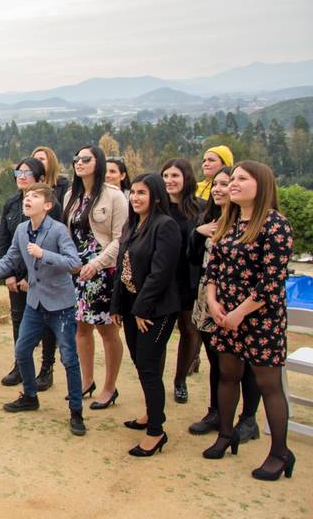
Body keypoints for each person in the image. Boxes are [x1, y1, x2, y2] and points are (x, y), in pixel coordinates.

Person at [202, 161, 296, 481]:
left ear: (262, 184)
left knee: (268, 385)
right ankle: (226, 435)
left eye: (242, 179)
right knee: (227, 376)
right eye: (233, 179)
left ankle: (280, 452)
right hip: (225, 315)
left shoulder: (275, 225)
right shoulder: (227, 221)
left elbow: (271, 281)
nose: (233, 184)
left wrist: (239, 313)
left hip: (260, 318)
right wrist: (214, 304)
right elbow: (212, 271)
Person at [0, 183, 86, 436]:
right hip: (35, 303)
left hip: (61, 306)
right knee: (22, 350)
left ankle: (76, 412)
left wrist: (43, 254)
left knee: (69, 358)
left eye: (34, 196)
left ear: (47, 205)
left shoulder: (59, 230)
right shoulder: (20, 229)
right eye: (27, 196)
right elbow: (11, 258)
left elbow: (75, 264)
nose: (27, 200)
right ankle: (30, 396)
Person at [111, 174, 182, 457]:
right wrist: (117, 306)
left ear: (155, 196)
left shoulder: (165, 226)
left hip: (156, 310)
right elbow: (122, 266)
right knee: (141, 365)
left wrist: (142, 309)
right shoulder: (132, 225)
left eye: (142, 193)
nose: (136, 198)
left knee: (149, 367)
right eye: (134, 193)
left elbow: (160, 273)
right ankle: (151, 415)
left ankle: (156, 431)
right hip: (130, 307)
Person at [188, 167, 261, 440]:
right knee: (216, 361)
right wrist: (198, 232)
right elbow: (193, 259)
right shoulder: (208, 218)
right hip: (209, 300)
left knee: (247, 365)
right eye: (215, 184)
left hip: (243, 304)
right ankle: (217, 411)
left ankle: (248, 419)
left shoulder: (250, 223)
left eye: (225, 182)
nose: (219, 188)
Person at [62, 145, 128, 409]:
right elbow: (67, 234)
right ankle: (86, 380)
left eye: (85, 159)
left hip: (104, 272)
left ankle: (110, 387)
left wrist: (97, 264)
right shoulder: (71, 195)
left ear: (97, 163)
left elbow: (121, 238)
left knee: (107, 330)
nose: (79, 163)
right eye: (76, 158)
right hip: (77, 272)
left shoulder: (114, 196)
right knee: (81, 327)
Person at [0, 158, 59, 390]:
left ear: (41, 179)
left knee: (46, 322)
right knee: (18, 319)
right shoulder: (12, 204)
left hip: (41, 277)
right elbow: (4, 242)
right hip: (16, 277)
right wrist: (10, 275)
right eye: (18, 172)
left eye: (27, 172)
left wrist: (29, 277)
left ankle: (46, 369)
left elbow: (51, 244)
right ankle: (21, 365)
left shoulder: (52, 205)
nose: (21, 176)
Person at [161, 158, 204, 404]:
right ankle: (156, 379)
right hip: (164, 280)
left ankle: (180, 380)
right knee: (161, 333)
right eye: (165, 176)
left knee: (189, 330)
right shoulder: (158, 207)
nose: (169, 181)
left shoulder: (201, 208)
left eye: (174, 176)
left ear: (186, 178)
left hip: (189, 279)